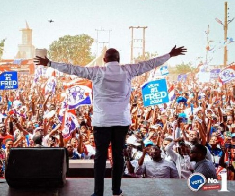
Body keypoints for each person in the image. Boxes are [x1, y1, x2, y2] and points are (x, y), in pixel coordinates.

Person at [36, 45, 186, 196]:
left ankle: (98, 192)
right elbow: (150, 64)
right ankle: (116, 190)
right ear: (119, 60)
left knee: (100, 157)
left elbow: (73, 69)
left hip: (101, 121)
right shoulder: (128, 70)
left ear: (104, 60)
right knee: (118, 155)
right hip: (121, 121)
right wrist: (170, 55)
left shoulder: (96, 72)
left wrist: (49, 63)